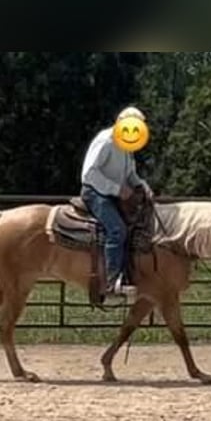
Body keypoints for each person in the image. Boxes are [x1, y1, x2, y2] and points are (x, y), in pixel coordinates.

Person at [80, 106, 153, 298]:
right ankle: (111, 283)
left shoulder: (127, 145)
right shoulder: (106, 140)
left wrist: (142, 186)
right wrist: (117, 189)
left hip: (112, 195)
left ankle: (128, 275)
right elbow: (90, 173)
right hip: (94, 192)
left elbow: (129, 174)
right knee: (117, 229)